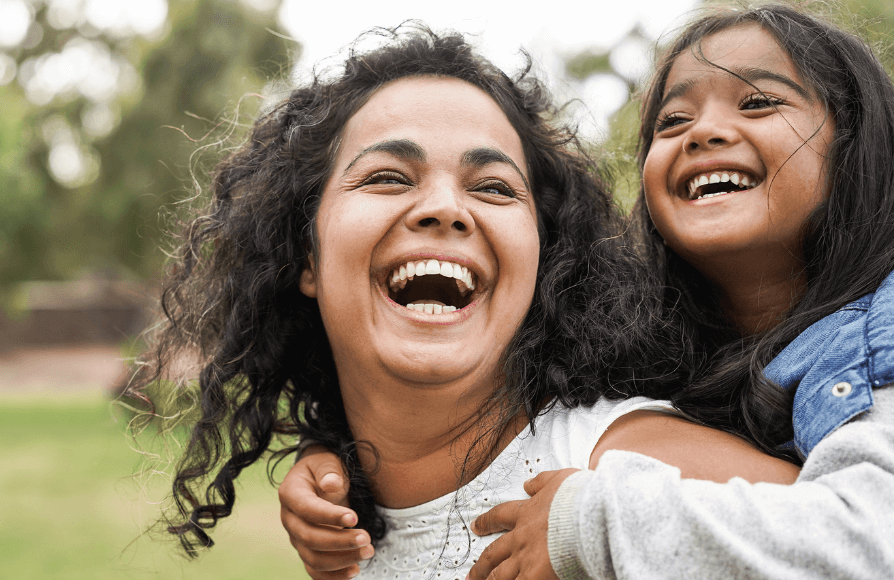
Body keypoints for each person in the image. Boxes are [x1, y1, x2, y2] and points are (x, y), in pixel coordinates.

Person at [123, 25, 796, 580]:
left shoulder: (621, 467)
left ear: (544, 259)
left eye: (496, 188)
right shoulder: (346, 528)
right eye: (388, 176)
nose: (445, 208)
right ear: (306, 256)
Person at [280, 5, 894, 580]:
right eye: (672, 121)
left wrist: (590, 523)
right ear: (303, 253)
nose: (704, 132)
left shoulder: (874, 341)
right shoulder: (678, 354)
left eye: (493, 187)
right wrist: (338, 454)